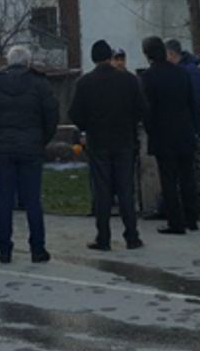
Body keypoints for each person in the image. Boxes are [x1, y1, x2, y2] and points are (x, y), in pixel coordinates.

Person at [0, 45, 59, 264]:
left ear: (8, 61)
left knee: (5, 199)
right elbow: (52, 115)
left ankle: (4, 250)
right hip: (31, 148)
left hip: (4, 148)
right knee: (33, 200)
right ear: (28, 62)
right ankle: (37, 249)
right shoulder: (40, 84)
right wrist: (41, 140)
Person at [69, 39, 149, 251]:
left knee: (102, 191)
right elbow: (142, 109)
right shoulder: (129, 80)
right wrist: (129, 124)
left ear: (93, 58)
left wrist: (88, 127)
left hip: (98, 142)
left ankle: (103, 238)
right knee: (125, 190)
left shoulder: (85, 83)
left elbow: (75, 113)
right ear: (109, 57)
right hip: (124, 141)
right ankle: (132, 236)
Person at [141, 36, 200, 235]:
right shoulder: (181, 73)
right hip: (185, 131)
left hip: (163, 134)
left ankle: (175, 222)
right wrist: (195, 128)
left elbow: (148, 109)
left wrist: (151, 131)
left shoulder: (149, 76)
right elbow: (192, 102)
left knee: (168, 180)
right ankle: (192, 218)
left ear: (148, 55)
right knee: (187, 177)